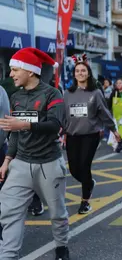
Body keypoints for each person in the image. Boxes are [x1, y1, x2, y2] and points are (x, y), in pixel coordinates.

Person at [0, 47, 70, 259]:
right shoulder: (15, 97)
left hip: (48, 163)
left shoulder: (52, 93)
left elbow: (54, 125)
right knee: (9, 212)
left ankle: (61, 247)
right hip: (20, 164)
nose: (10, 74)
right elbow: (14, 135)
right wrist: (6, 160)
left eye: (14, 70)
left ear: (30, 71)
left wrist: (24, 124)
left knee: (57, 214)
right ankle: (7, 256)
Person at [64, 58, 120, 214]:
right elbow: (63, 115)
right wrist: (60, 131)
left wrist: (113, 130)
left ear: (88, 74)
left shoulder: (95, 93)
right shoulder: (67, 94)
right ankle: (89, 183)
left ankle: (85, 201)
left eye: (83, 71)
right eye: (77, 71)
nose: (80, 73)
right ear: (74, 74)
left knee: (84, 165)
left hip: (90, 135)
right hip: (72, 135)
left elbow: (104, 112)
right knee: (74, 169)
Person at [108, 78, 122, 152]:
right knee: (117, 130)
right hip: (116, 114)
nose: (118, 85)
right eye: (117, 83)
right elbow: (109, 102)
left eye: (120, 83)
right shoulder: (114, 92)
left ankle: (121, 144)